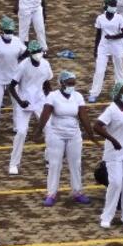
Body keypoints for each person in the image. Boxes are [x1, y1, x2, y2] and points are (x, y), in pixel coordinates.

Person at [36, 71, 98, 207]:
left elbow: (83, 116)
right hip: (56, 134)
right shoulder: (53, 96)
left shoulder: (77, 96)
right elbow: (45, 114)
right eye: (69, 83)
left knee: (76, 164)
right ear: (62, 83)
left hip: (74, 134)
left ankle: (77, 192)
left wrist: (90, 134)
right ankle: (51, 194)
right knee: (54, 164)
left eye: (73, 83)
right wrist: (39, 130)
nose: (72, 86)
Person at [94, 80, 123, 226]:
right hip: (114, 152)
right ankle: (106, 216)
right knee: (115, 183)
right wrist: (112, 139)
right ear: (117, 94)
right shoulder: (111, 109)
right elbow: (97, 126)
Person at [6, 41, 53, 175]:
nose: (38, 54)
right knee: (21, 132)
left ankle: (49, 159)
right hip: (24, 101)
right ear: (30, 53)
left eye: (39, 51)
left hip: (40, 101)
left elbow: (47, 83)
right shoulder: (23, 66)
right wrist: (20, 102)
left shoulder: (45, 64)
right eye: (35, 52)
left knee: (50, 129)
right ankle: (13, 164)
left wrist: (51, 100)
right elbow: (11, 86)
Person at [88, 0, 123, 102]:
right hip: (103, 46)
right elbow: (98, 35)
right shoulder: (100, 18)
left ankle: (121, 91)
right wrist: (95, 49)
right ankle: (94, 93)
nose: (113, 7)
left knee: (119, 70)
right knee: (99, 70)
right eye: (111, 5)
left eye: (114, 5)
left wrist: (113, 37)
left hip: (117, 46)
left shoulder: (119, 17)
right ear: (106, 6)